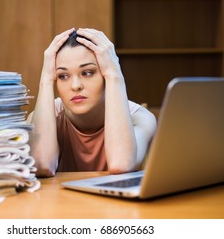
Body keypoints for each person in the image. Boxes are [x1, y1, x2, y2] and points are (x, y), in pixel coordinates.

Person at [27, 28, 157, 177]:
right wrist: (45, 80)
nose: (75, 86)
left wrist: (115, 75)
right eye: (63, 76)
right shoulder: (42, 118)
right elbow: (42, 165)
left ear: (105, 72)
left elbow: (121, 164)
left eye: (87, 73)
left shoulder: (140, 118)